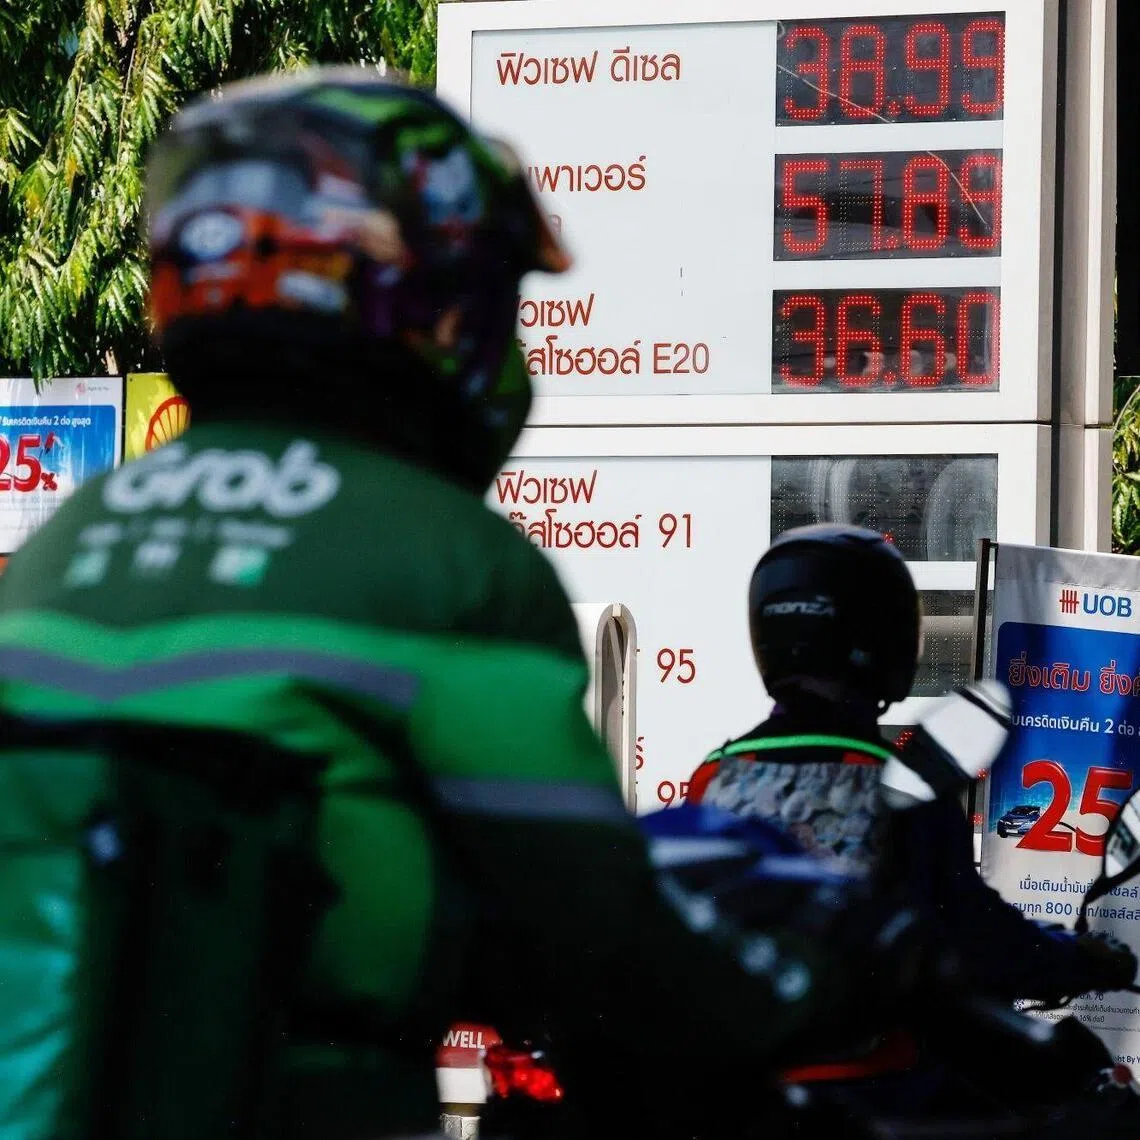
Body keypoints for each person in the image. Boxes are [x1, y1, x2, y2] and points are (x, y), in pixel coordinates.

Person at [0, 72, 891, 1140]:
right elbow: (597, 927)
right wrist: (830, 989)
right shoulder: (448, 556)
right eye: (492, 304)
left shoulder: (70, 536)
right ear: (414, 303)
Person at [687, 522, 1138, 1010]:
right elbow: (978, 938)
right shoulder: (902, 786)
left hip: (742, 1067)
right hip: (876, 1070)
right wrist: (1082, 958)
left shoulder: (713, 777)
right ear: (886, 638)